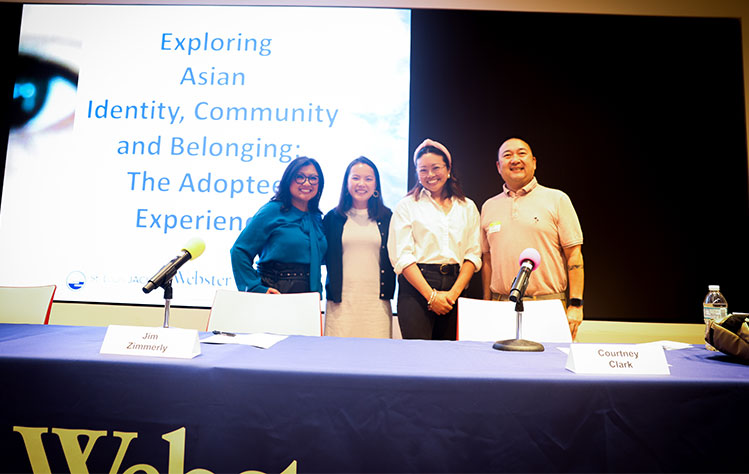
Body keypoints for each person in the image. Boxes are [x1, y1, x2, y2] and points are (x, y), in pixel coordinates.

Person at [480, 137, 584, 339]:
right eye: (507, 155)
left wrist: (576, 305)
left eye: (521, 153)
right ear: (498, 166)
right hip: (501, 308)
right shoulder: (488, 206)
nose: (515, 159)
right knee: (500, 369)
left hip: (548, 307)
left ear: (534, 162)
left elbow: (574, 256)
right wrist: (486, 303)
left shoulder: (557, 199)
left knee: (549, 369)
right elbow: (487, 259)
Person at [388, 139, 482, 340]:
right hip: (416, 288)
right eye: (423, 170)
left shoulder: (467, 207)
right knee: (418, 358)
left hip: (455, 288)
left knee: (449, 360)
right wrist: (431, 296)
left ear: (448, 170)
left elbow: (473, 255)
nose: (430, 175)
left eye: (435, 168)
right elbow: (402, 257)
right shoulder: (407, 206)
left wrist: (452, 295)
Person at [231, 156, 327, 295]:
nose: (307, 183)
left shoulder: (316, 218)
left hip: (308, 295)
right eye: (300, 177)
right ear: (288, 181)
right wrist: (255, 287)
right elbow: (239, 251)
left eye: (313, 178)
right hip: (277, 290)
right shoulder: (272, 211)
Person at [323, 157, 395, 338]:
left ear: (376, 184)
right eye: (355, 178)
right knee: (337, 359)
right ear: (346, 182)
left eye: (368, 179)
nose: (361, 183)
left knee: (376, 359)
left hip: (376, 305)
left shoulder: (388, 217)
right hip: (340, 305)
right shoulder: (333, 218)